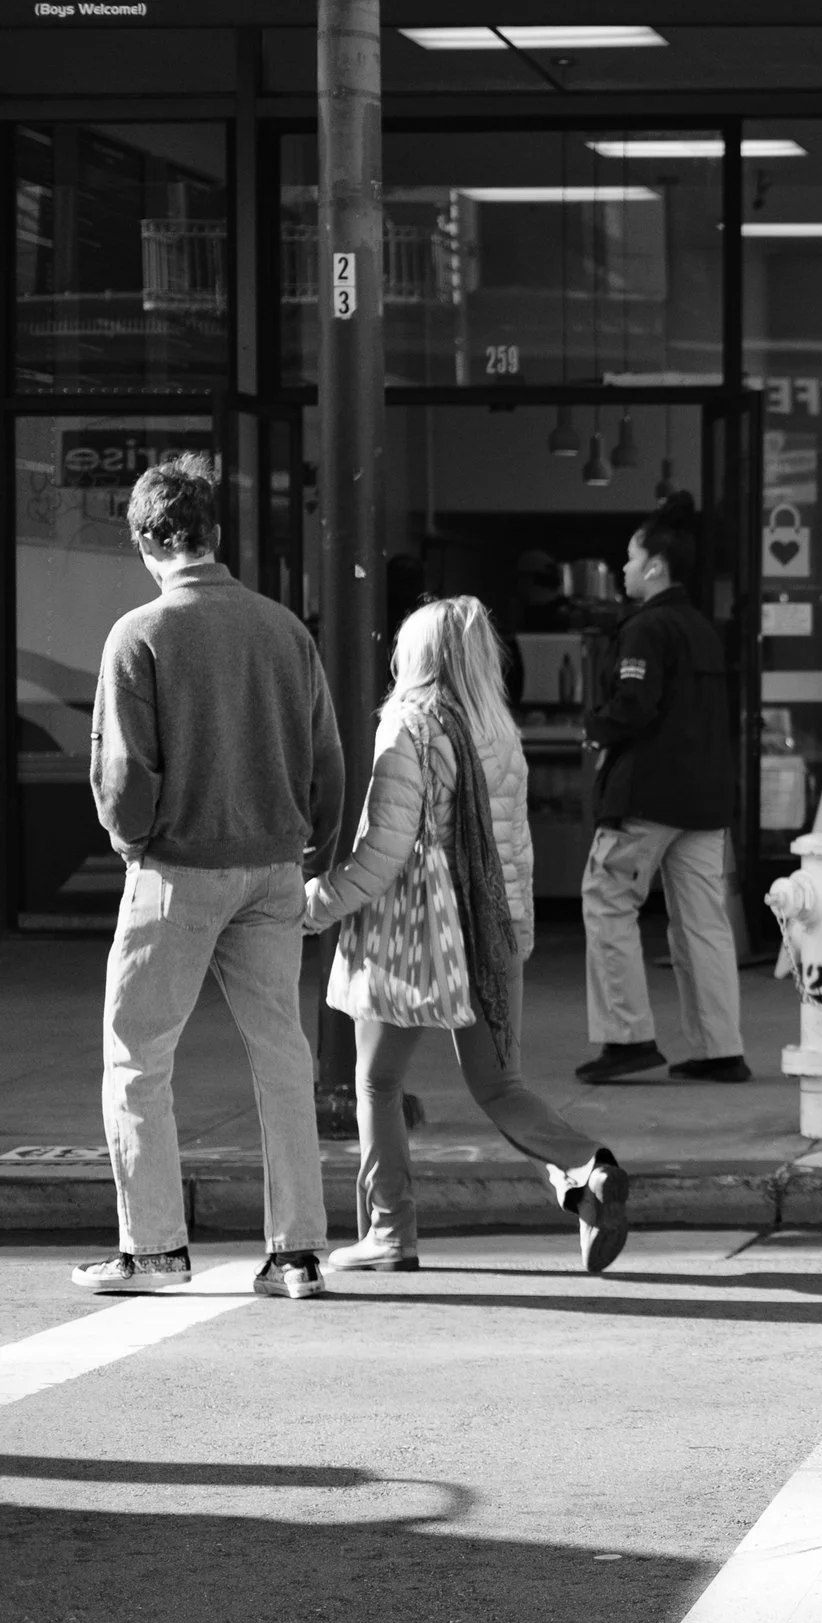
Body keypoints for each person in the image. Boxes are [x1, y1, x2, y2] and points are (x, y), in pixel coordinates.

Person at [75, 453, 342, 1300]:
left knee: (137, 1054)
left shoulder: (139, 636)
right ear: (215, 534)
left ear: (146, 542)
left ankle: (154, 1248)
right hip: (271, 866)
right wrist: (311, 850)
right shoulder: (284, 630)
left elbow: (125, 778)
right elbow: (328, 761)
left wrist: (132, 844)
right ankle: (296, 1253)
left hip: (178, 869)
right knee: (281, 1056)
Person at [306, 598, 632, 1275]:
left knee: (376, 1083)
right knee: (499, 1085)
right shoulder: (498, 729)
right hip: (495, 929)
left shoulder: (410, 726)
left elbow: (384, 851)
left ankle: (390, 1232)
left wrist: (315, 904)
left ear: (415, 655)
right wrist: (520, 931)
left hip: (420, 937)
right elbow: (519, 846)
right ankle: (587, 1166)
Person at [575, 492, 747, 1086]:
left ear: (654, 566)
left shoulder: (647, 628)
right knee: (704, 923)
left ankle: (628, 1038)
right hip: (706, 803)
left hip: (646, 797)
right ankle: (720, 1049)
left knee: (606, 901)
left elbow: (634, 706)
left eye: (629, 558)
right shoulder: (703, 629)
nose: (622, 569)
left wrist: (594, 729)